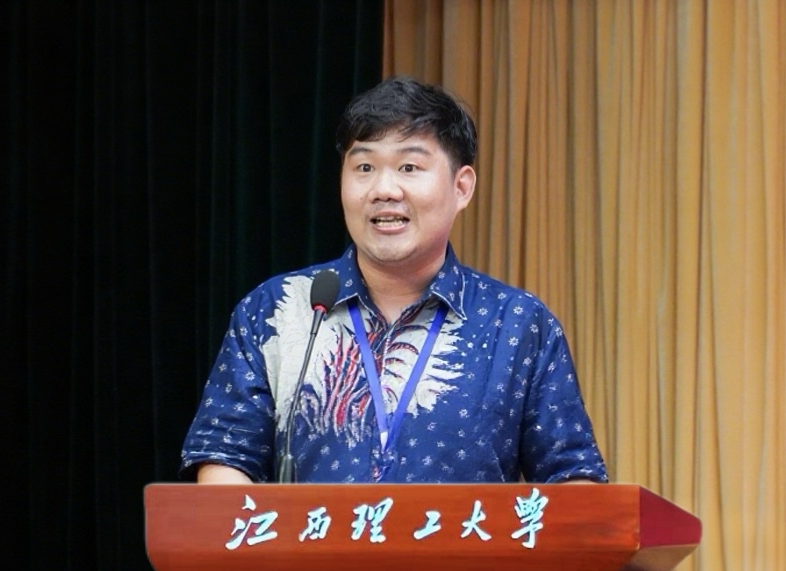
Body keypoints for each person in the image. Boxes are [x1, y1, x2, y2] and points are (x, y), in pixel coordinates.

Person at [181, 76, 607, 487]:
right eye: (364, 167)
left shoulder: (517, 323)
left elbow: (572, 476)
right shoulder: (276, 309)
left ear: (462, 187)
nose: (384, 189)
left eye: (409, 166)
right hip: (309, 543)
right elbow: (223, 457)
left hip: (460, 543)